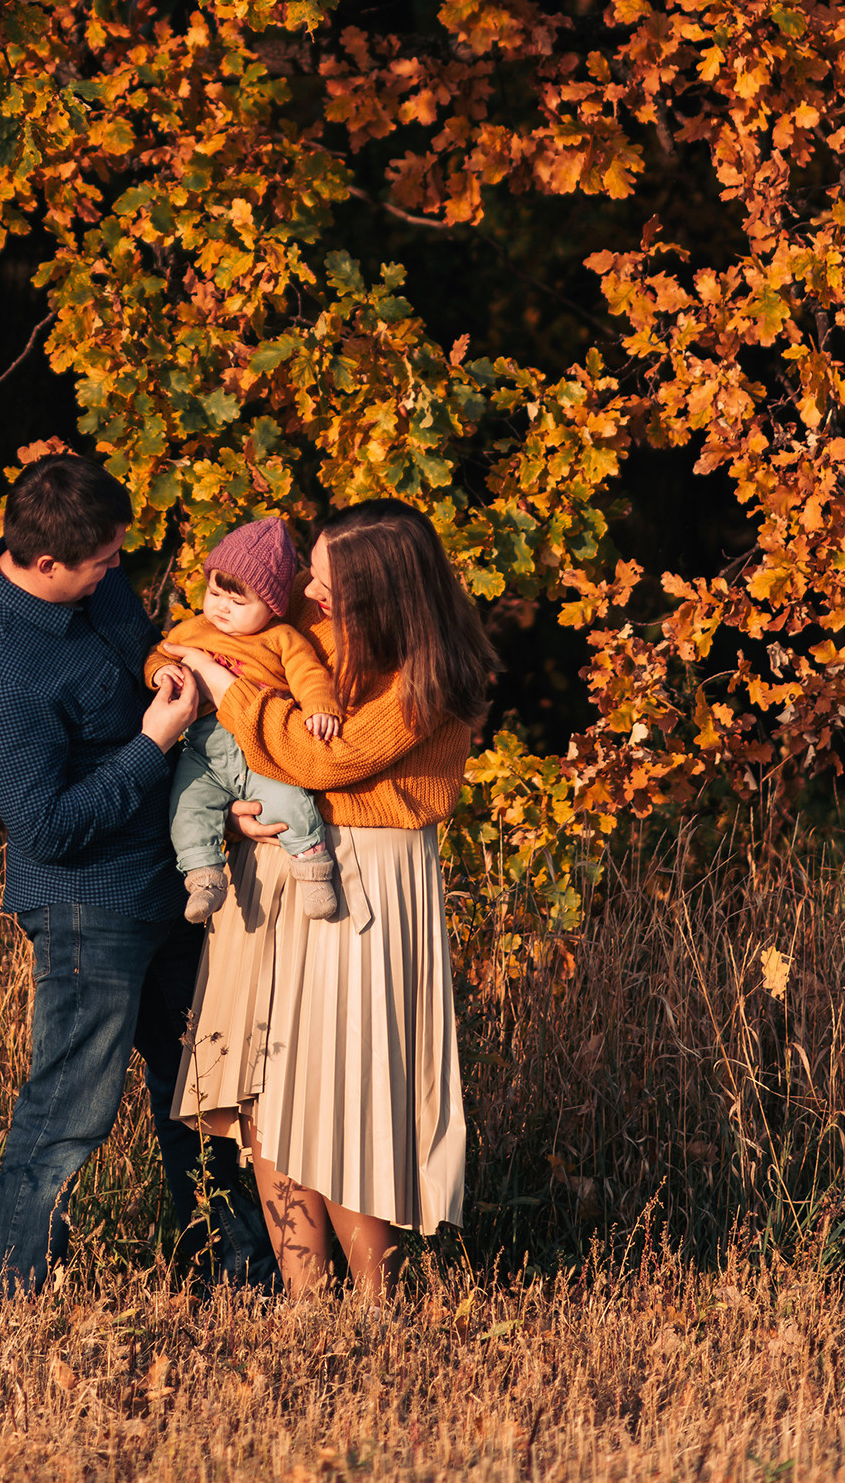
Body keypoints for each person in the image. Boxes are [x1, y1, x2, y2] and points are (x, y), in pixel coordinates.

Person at [0, 450, 280, 1295]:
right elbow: (48, 827)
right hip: (86, 900)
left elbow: (139, 646)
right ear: (46, 561)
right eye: (102, 563)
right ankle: (14, 1288)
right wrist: (153, 740)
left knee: (203, 1090)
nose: (116, 574)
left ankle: (240, 1278)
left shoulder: (95, 580)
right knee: (70, 1107)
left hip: (175, 873)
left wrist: (162, 677)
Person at [167, 499, 495, 1300]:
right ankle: (307, 1304)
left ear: (382, 592)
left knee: (347, 1092)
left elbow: (330, 759)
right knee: (274, 1090)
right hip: (289, 867)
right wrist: (241, 817)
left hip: (370, 885)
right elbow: (268, 754)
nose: (309, 594)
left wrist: (227, 687)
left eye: (326, 582)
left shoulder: (431, 678)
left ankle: (377, 1306)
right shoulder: (321, 638)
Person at [145, 517, 344, 926]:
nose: (220, 607)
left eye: (237, 602)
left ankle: (313, 871)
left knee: (289, 802)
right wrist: (161, 672)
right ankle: (203, 877)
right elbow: (161, 652)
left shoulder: (281, 638)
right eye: (214, 592)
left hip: (260, 751)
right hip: (203, 750)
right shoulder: (195, 630)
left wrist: (320, 706)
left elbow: (310, 675)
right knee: (186, 803)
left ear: (271, 606)